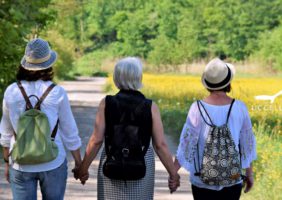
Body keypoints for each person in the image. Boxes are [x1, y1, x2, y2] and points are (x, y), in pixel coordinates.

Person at [73, 57, 180, 199]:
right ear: (139, 78)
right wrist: (173, 174)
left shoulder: (106, 103)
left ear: (116, 78)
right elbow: (160, 144)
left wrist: (83, 169)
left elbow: (96, 140)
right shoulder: (150, 106)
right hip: (142, 161)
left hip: (112, 159)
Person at [0, 38, 83, 200]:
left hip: (21, 163)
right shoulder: (57, 92)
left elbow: (6, 132)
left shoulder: (11, 91)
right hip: (53, 161)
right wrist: (79, 164)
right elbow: (69, 132)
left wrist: (7, 162)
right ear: (49, 64)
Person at [174, 58, 257, 200]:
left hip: (201, 180)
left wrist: (173, 172)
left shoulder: (197, 107)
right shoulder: (239, 107)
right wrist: (249, 174)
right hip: (233, 177)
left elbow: (187, 144)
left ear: (207, 84)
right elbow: (246, 145)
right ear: (228, 82)